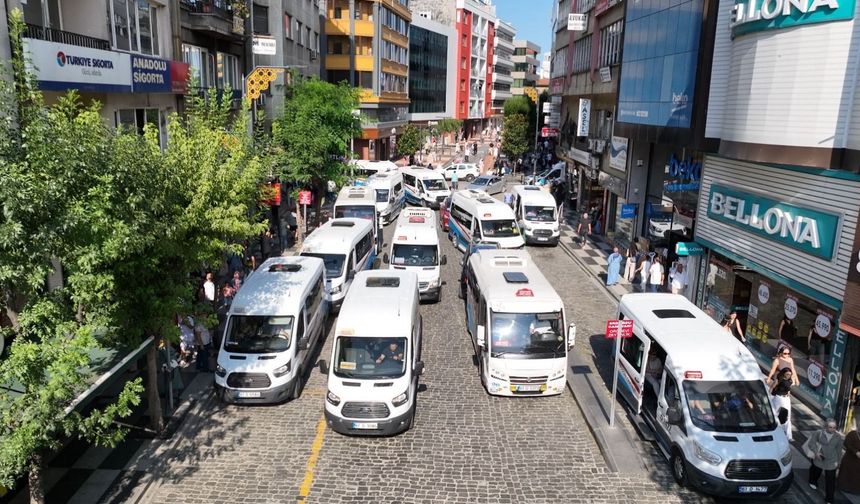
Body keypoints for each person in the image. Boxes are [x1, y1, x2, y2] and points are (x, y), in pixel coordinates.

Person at [807, 419, 844, 503]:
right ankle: (812, 481)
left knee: (831, 481)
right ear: (826, 427)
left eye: (834, 427)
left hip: (831, 460)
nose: (832, 429)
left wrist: (839, 462)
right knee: (816, 471)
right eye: (830, 427)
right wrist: (816, 453)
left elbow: (839, 450)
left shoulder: (838, 437)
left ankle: (829, 499)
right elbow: (811, 443)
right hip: (819, 457)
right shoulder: (818, 433)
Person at [770, 368, 794, 441]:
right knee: (774, 414)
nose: (789, 376)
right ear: (783, 374)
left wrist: (788, 397)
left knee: (788, 416)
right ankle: (773, 431)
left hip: (786, 399)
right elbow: (772, 387)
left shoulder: (790, 380)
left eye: (790, 374)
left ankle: (789, 436)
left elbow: (789, 390)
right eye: (787, 374)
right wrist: (769, 395)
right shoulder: (779, 379)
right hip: (778, 398)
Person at [838, 428, 860, 496]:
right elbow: (846, 443)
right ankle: (843, 487)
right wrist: (855, 452)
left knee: (856, 476)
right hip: (849, 460)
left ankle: (855, 490)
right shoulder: (853, 433)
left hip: (858, 463)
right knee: (846, 474)